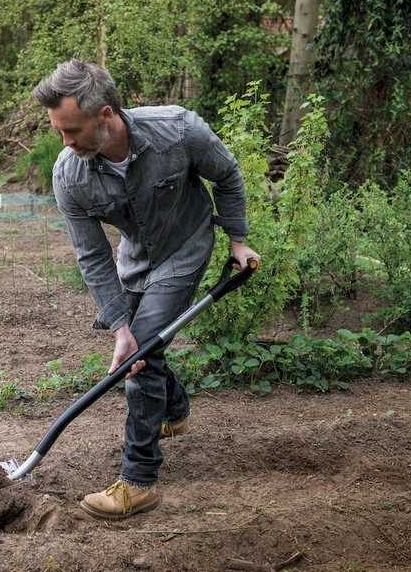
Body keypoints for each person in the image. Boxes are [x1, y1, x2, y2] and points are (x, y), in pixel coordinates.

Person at [32, 60, 260, 520]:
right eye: (59, 131)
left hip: (185, 247)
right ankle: (174, 411)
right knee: (136, 343)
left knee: (142, 358)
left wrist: (237, 240)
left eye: (72, 130)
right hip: (134, 258)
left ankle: (139, 481)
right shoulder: (69, 173)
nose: (65, 142)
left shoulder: (178, 131)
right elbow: (92, 255)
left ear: (107, 115)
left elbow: (228, 175)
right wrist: (118, 326)